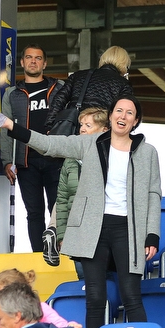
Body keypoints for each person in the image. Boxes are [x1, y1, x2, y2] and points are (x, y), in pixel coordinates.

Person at [3, 95, 160, 328]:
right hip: (92, 228)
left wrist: (152, 234)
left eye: (130, 113)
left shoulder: (148, 152)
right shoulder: (90, 143)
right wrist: (13, 128)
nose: (123, 116)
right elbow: (49, 144)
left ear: (136, 120)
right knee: (95, 297)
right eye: (119, 110)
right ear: (110, 116)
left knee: (131, 295)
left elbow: (153, 193)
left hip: (128, 229)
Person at [1, 45, 65, 252]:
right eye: (29, 57)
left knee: (58, 209)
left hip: (56, 159)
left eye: (38, 58)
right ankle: (39, 255)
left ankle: (61, 252)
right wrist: (7, 161)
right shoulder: (12, 94)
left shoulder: (59, 88)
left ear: (44, 64)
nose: (33, 61)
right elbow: (6, 128)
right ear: (22, 62)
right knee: (34, 212)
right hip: (26, 161)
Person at [55, 108, 108, 280]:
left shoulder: (113, 157)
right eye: (81, 125)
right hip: (78, 234)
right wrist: (62, 235)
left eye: (88, 125)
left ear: (104, 130)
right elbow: (62, 200)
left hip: (106, 232)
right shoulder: (70, 159)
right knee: (85, 283)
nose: (82, 129)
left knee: (111, 284)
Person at [45, 45, 132, 134]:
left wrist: (50, 125)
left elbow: (59, 99)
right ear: (124, 64)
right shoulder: (123, 83)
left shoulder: (78, 75)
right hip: (100, 130)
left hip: (73, 127)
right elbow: (127, 112)